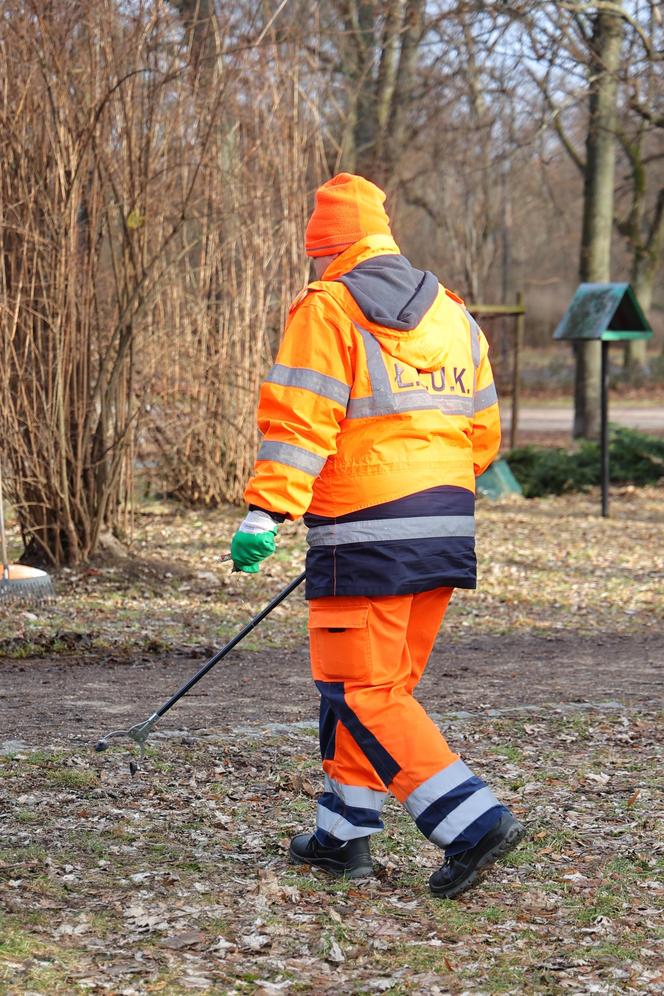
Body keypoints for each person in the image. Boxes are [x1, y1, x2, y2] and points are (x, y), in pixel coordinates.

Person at [230, 173, 525, 898]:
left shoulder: (327, 308)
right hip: (445, 527)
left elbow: (302, 419)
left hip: (365, 529)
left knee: (361, 691)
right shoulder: (454, 314)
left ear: (325, 248)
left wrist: (268, 511)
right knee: (379, 688)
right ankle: (343, 833)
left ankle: (473, 824)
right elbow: (483, 434)